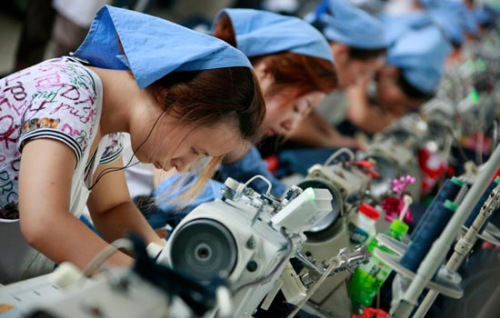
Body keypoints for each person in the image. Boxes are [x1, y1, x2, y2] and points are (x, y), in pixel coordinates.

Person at [0, 5, 265, 284]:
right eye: (196, 150)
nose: (184, 165)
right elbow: (45, 225)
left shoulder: (106, 120)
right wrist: (153, 281)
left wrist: (165, 259)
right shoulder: (70, 97)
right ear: (170, 99)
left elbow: (112, 208)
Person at [144, 8, 337, 231]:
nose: (291, 125)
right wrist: (258, 209)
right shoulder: (195, 90)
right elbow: (174, 191)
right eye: (297, 108)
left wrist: (296, 207)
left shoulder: (231, 116)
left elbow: (253, 171)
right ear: (265, 72)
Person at [286, 0, 387, 148]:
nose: (356, 83)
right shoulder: (296, 61)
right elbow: (289, 126)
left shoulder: (312, 68)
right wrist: (334, 143)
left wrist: (336, 137)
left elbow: (306, 112)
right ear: (340, 53)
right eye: (361, 72)